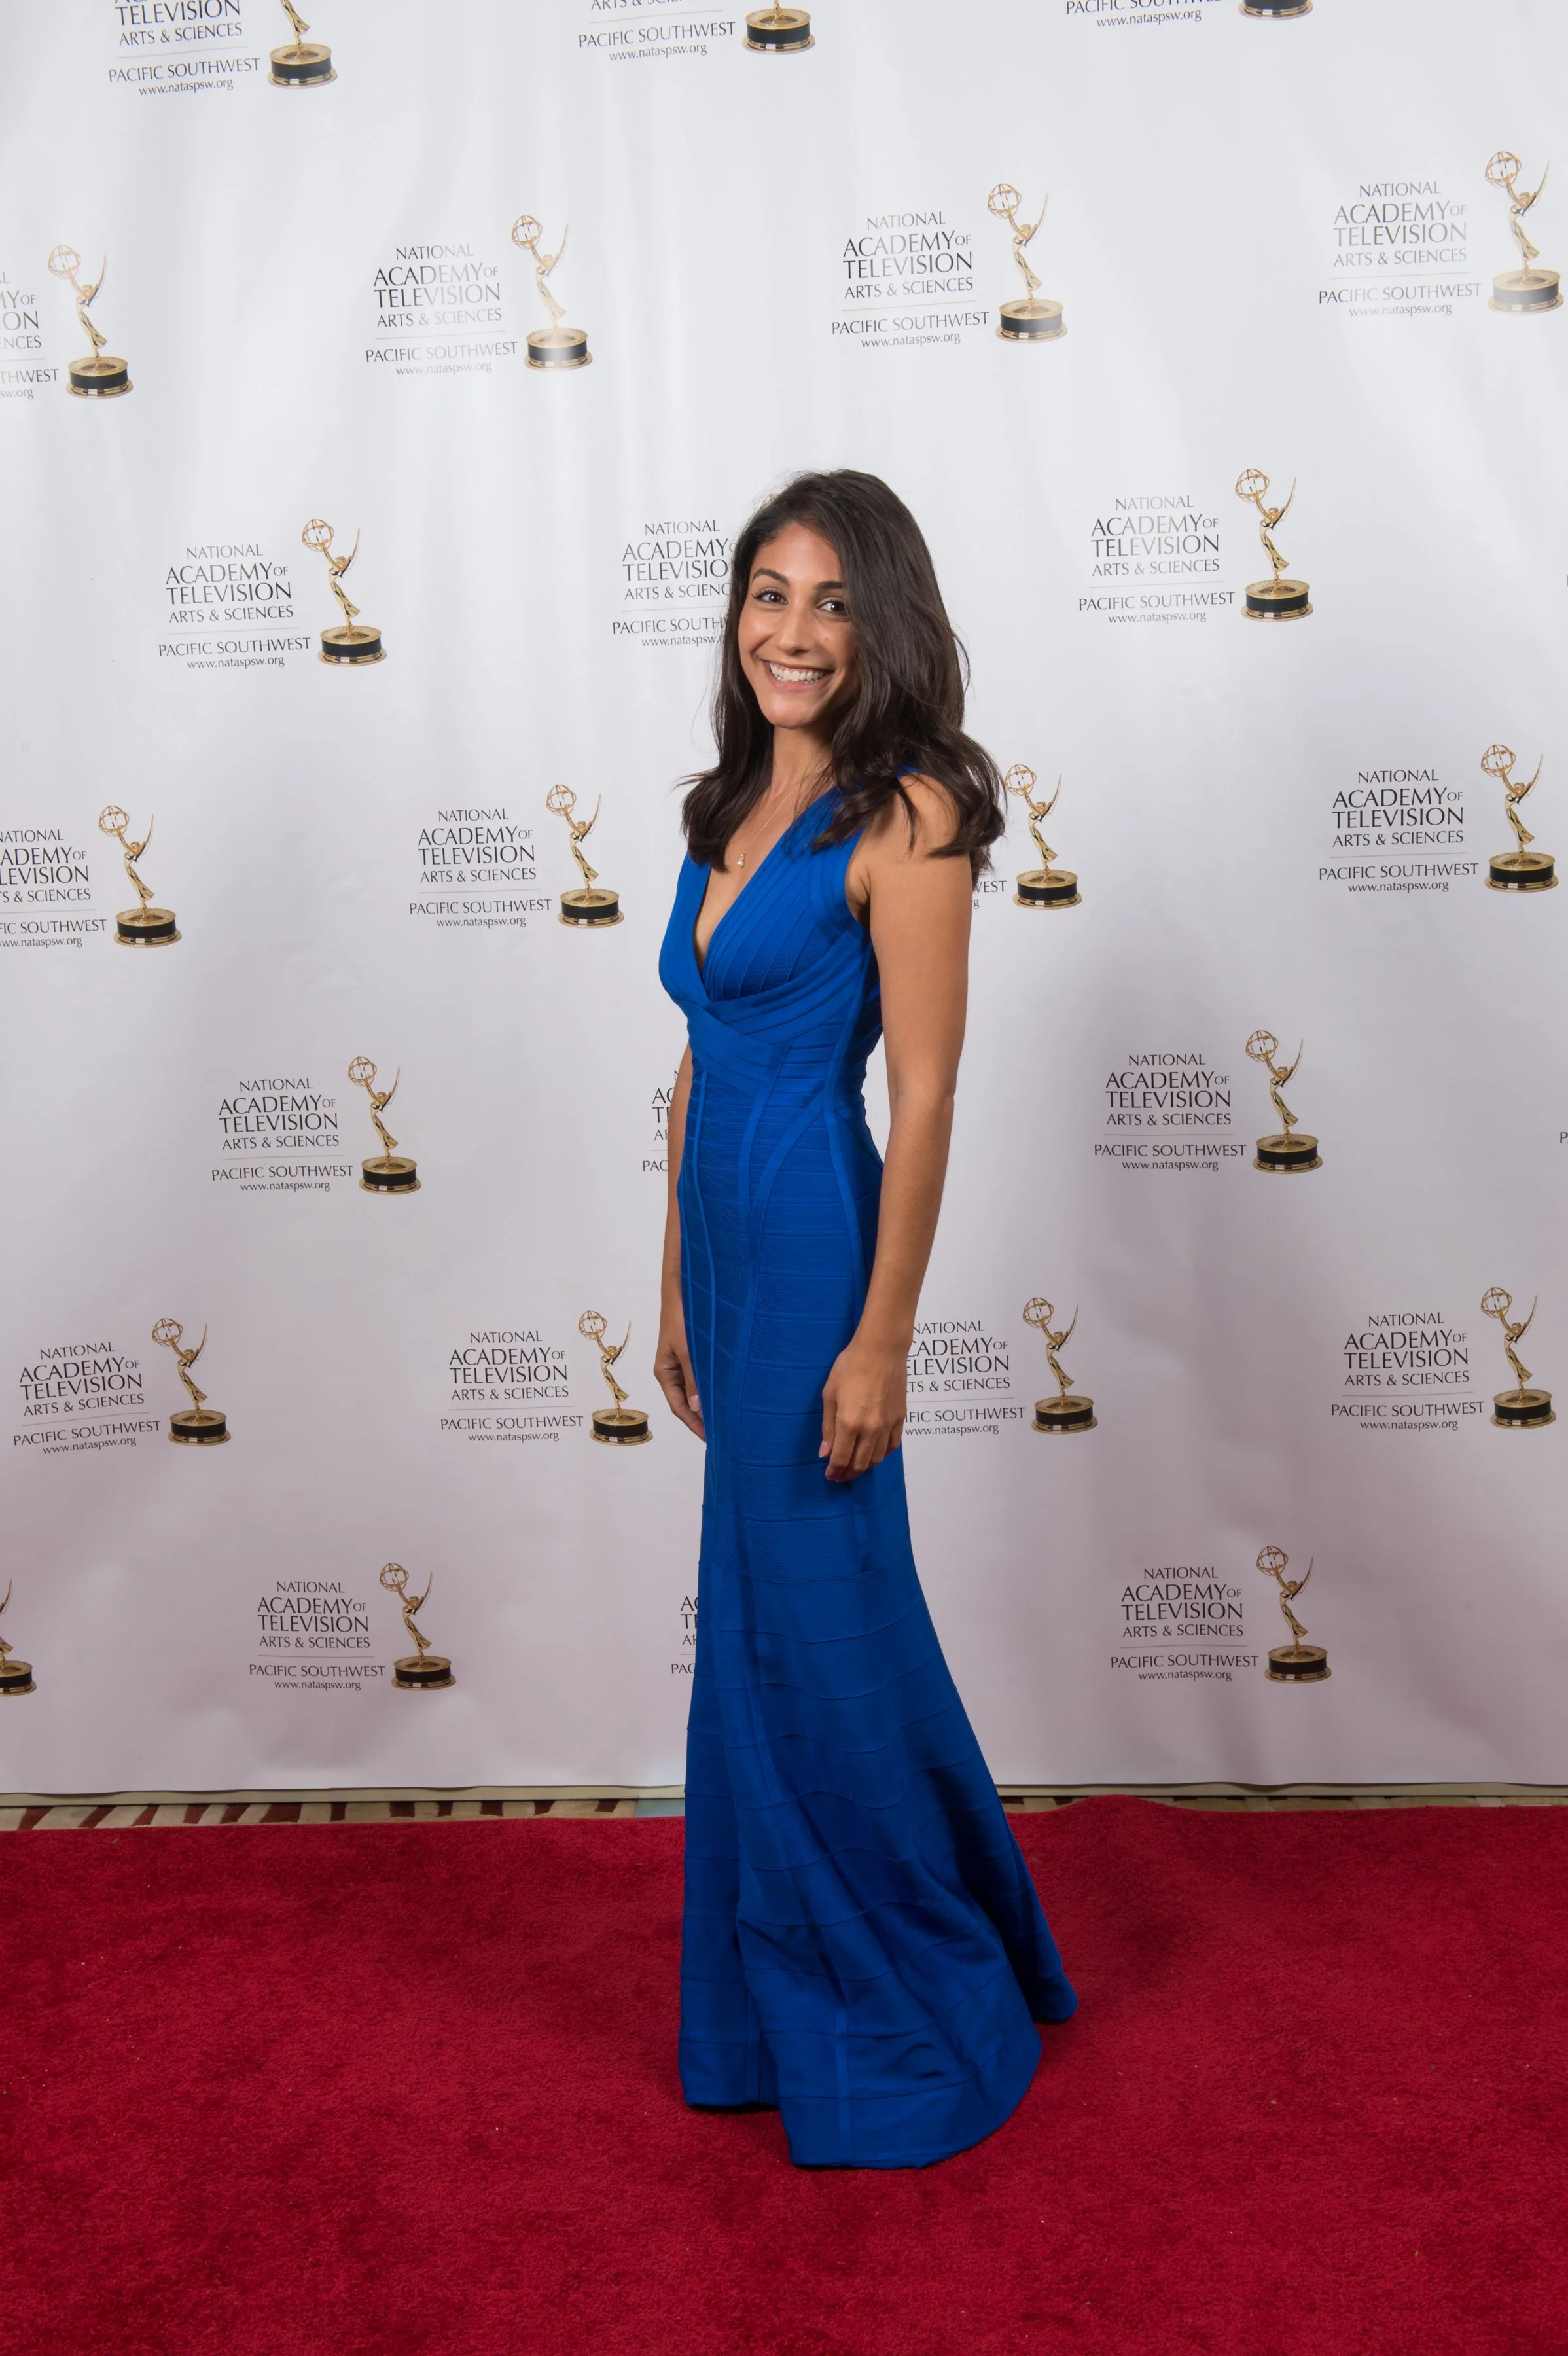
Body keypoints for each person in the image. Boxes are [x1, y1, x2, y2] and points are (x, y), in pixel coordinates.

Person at [655, 470, 1075, 2169]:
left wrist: (883, 1338)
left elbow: (926, 1092)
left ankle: (903, 1993)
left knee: (815, 1617)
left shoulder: (909, 814)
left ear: (881, 622)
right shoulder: (727, 802)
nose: (794, 630)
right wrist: (668, 1281)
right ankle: (771, 2002)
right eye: (769, 592)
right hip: (723, 1249)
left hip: (822, 1245)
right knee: (768, 1617)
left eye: (833, 600)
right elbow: (695, 1061)